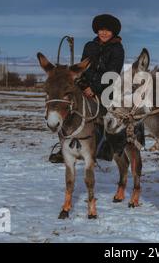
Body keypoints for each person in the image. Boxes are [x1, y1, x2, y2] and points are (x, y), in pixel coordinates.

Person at [50, 14, 129, 163]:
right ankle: (64, 147)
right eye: (101, 30)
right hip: (85, 86)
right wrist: (84, 85)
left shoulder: (118, 49)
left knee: (105, 114)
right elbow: (83, 68)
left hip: (107, 88)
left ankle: (104, 147)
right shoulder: (90, 46)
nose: (103, 33)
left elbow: (112, 72)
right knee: (69, 106)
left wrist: (94, 88)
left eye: (107, 30)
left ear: (113, 32)